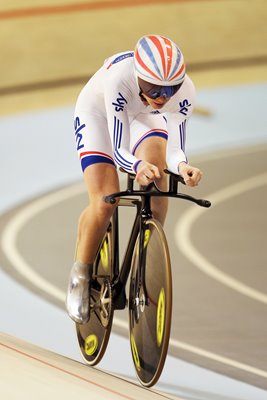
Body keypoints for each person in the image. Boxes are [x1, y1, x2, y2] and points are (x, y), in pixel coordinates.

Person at [66, 34, 203, 323]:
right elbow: (119, 150)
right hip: (99, 115)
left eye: (170, 89)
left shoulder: (185, 91)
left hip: (141, 115)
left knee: (158, 175)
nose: (163, 97)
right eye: (154, 88)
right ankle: (80, 273)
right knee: (104, 202)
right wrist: (136, 164)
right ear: (139, 76)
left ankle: (148, 253)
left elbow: (176, 151)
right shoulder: (119, 79)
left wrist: (182, 167)